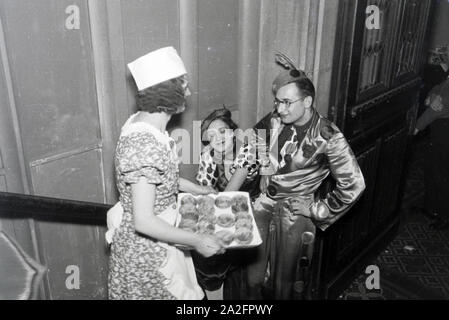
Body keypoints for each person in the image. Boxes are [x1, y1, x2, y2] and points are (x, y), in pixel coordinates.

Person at [236, 53, 366, 299]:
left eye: (287, 102)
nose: (279, 108)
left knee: (287, 281)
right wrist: (265, 167)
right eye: (277, 101)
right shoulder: (276, 119)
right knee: (253, 276)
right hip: (262, 207)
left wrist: (317, 209)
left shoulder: (328, 135)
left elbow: (354, 184)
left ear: (307, 102)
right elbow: (256, 136)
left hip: (295, 216)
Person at [108, 47, 225, 300]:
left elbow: (158, 178)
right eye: (183, 86)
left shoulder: (143, 124)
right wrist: (196, 240)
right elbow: (145, 221)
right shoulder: (144, 144)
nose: (189, 92)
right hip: (148, 253)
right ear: (165, 92)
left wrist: (196, 188)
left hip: (162, 235)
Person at [192, 107, 261, 300]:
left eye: (223, 132)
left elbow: (230, 192)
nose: (218, 139)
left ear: (233, 131)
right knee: (203, 248)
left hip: (251, 208)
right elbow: (204, 190)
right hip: (223, 207)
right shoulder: (209, 154)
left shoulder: (248, 150)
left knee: (214, 252)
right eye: (211, 136)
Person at [414, 76, 449, 230]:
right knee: (433, 169)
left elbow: (436, 109)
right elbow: (437, 87)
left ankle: (443, 216)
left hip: (444, 131)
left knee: (441, 173)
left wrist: (416, 127)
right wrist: (432, 96)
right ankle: (432, 208)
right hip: (440, 129)